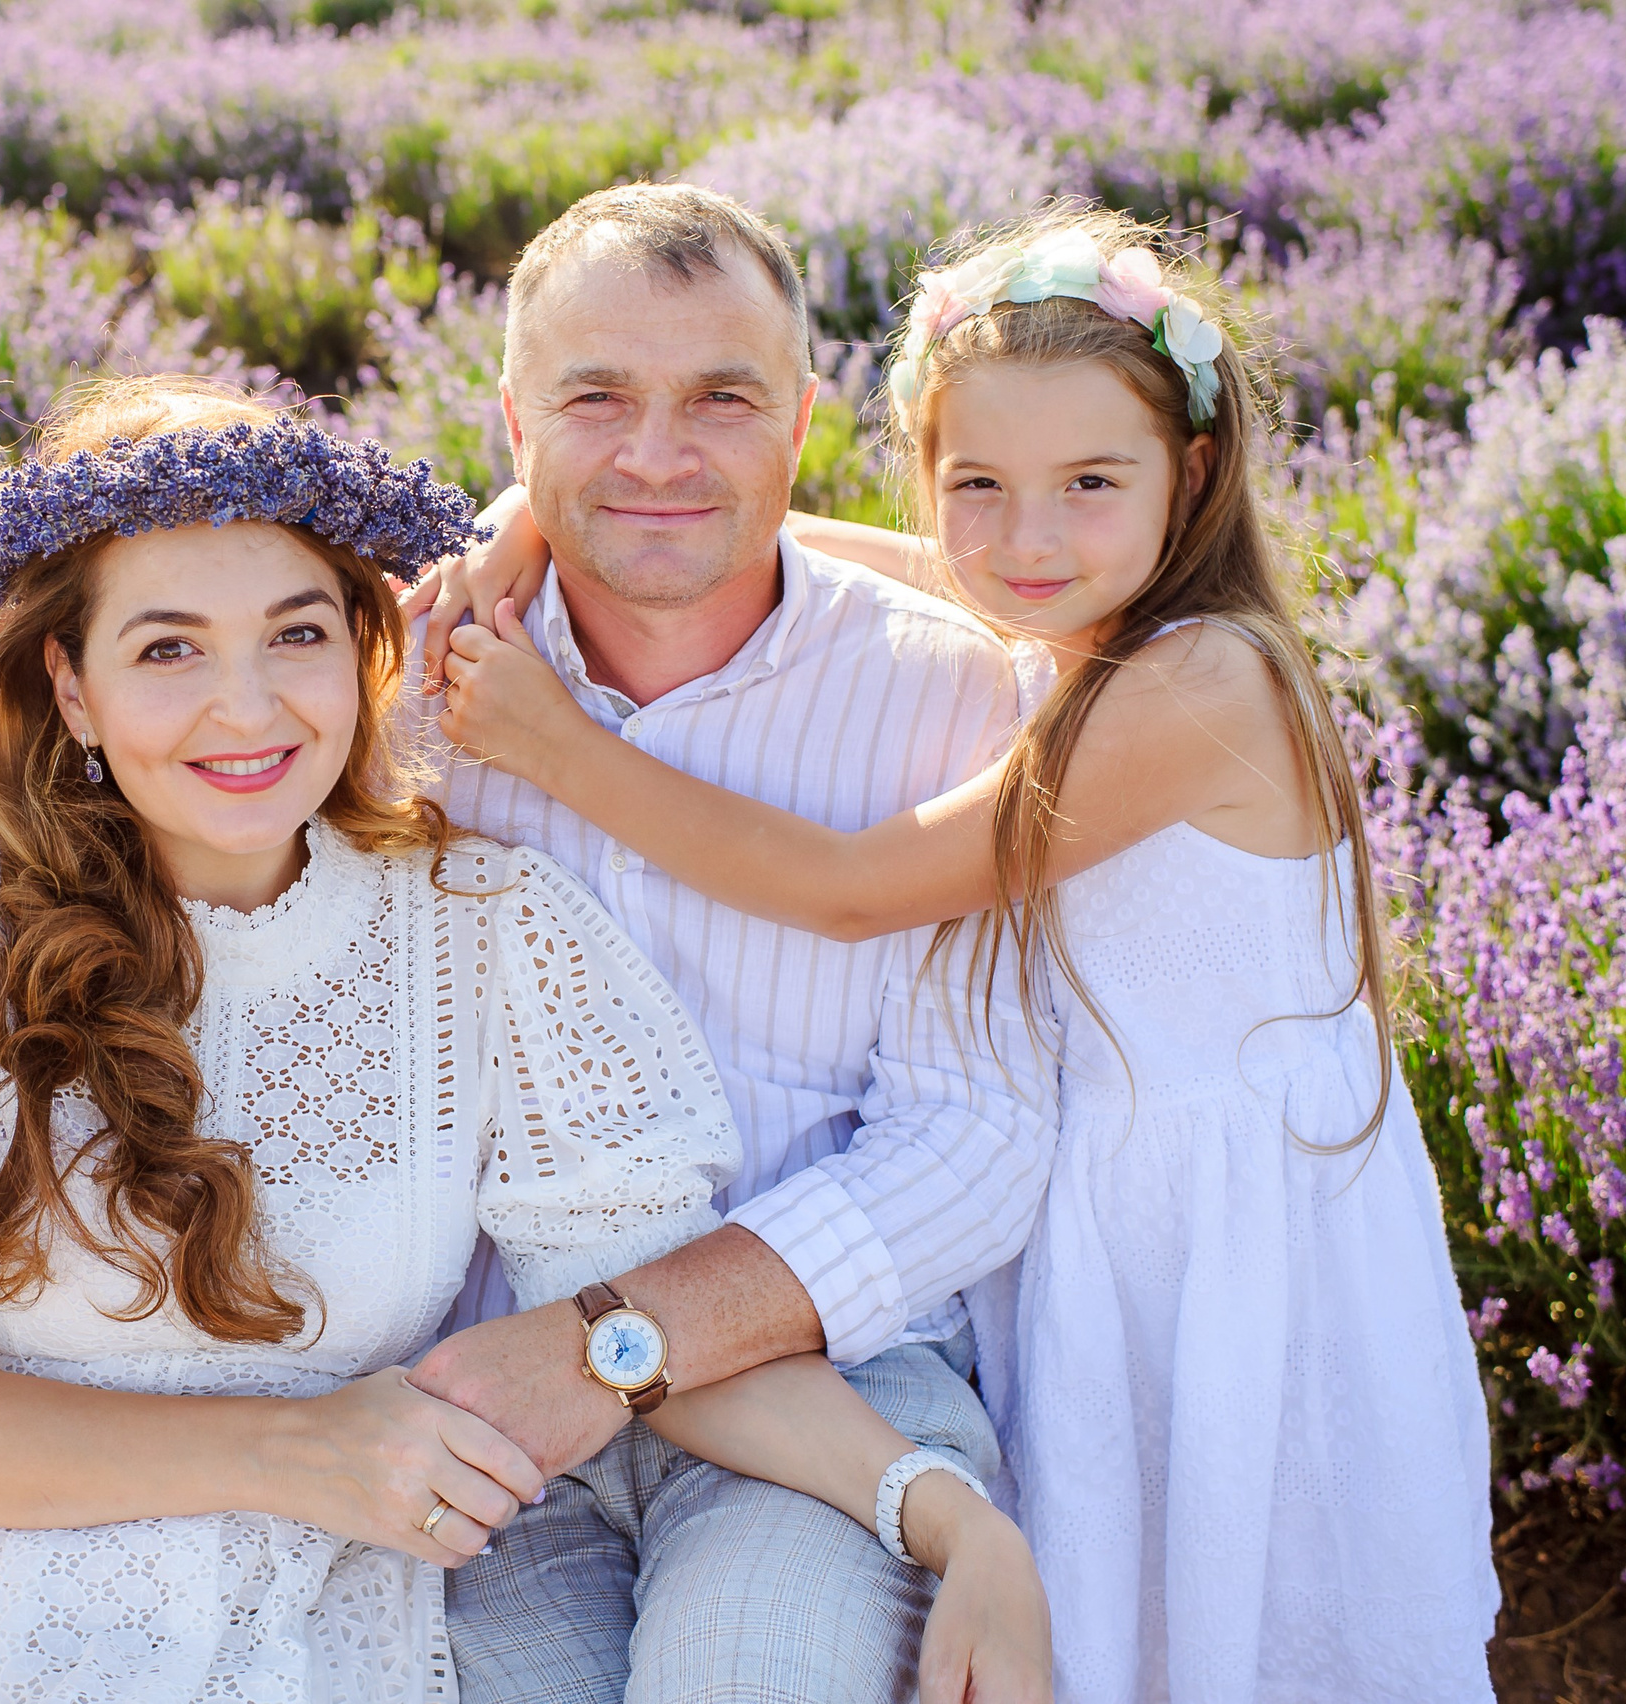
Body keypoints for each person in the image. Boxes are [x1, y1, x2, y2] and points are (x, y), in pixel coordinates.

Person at [0, 378, 1038, 1703]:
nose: (247, 708)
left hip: (332, 1630)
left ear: (362, 652)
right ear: (70, 689)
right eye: (167, 650)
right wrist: (292, 1452)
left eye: (296, 636)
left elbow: (635, 1334)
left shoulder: (481, 924)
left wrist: (946, 1517)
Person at [433, 204, 1499, 1700]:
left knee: (1267, 1590)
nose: (1027, 535)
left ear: (1190, 475)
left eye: (1085, 483)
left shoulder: (1196, 681)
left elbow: (861, 889)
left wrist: (554, 743)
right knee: (1139, 1601)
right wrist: (542, 511)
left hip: (1224, 1237)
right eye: (977, 487)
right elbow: (834, 537)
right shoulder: (1073, 623)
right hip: (1105, 1219)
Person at [389, 182, 1060, 1703]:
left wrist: (613, 1347)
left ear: (805, 421)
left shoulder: (950, 699)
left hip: (831, 1405)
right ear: (514, 425)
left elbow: (973, 1144)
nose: (657, 455)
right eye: (597, 398)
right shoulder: (402, 694)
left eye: (721, 398)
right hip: (482, 1419)